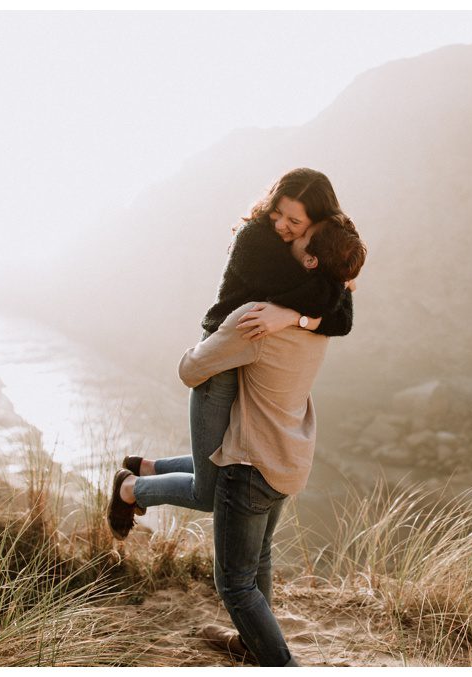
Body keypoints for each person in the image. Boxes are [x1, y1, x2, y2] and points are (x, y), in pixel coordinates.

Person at [110, 216, 366, 667]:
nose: (285, 234)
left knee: (236, 584)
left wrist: (214, 338)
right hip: (289, 457)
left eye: (299, 233)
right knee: (259, 558)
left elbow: (191, 370)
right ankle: (252, 643)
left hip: (249, 464)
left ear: (309, 260)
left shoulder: (258, 321)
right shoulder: (321, 319)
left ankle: (280, 665)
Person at [112, 168, 357, 523]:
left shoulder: (300, 257)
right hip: (223, 360)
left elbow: (340, 320)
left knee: (223, 461)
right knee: (209, 492)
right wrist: (340, 280)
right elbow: (327, 303)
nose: (281, 225)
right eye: (278, 213)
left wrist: (293, 317)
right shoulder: (256, 241)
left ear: (316, 224)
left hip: (254, 360)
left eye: (294, 220)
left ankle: (147, 467)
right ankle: (131, 488)